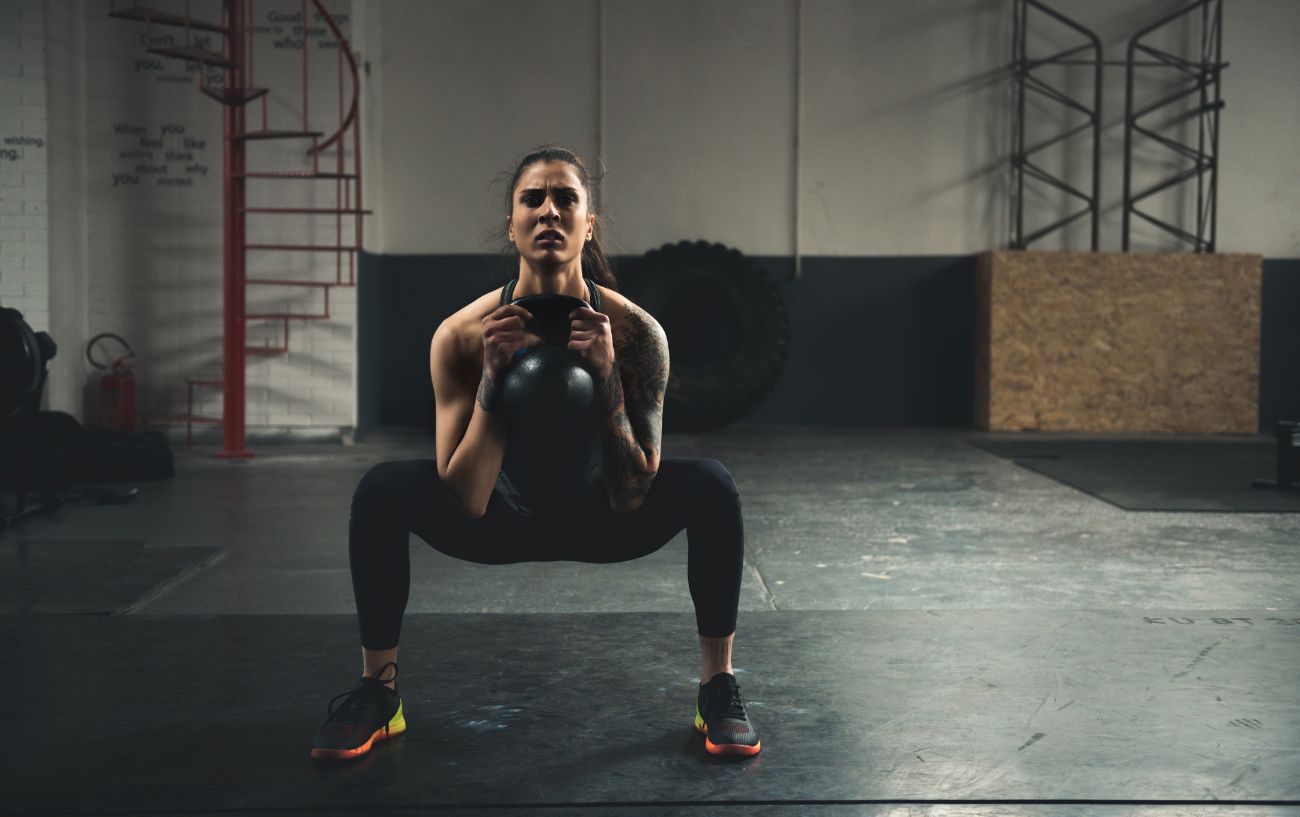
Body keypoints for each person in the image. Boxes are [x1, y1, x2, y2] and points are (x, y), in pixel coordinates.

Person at [310, 146, 761, 760]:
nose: (550, 211)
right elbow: (465, 499)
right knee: (381, 490)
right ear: (513, 222)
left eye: (566, 199)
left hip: (602, 517)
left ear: (588, 223)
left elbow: (633, 493)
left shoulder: (634, 333)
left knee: (712, 484)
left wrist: (606, 381)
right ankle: (378, 692)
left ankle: (718, 687)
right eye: (533, 199)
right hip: (499, 517)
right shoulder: (463, 335)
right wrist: (493, 382)